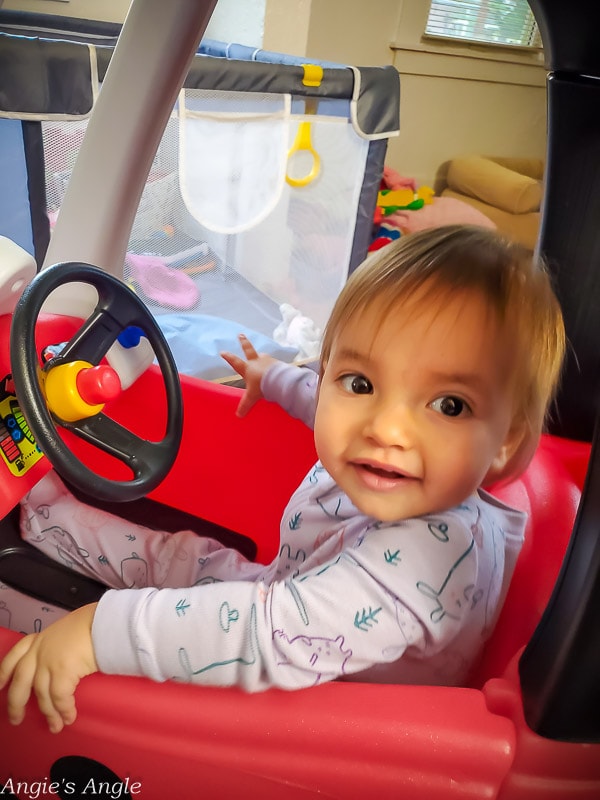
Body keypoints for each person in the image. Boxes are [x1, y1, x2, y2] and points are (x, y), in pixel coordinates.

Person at [0, 225, 565, 734]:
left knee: (94, 652)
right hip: (285, 592)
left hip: (312, 706)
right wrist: (273, 379)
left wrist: (98, 632)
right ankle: (49, 516)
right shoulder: (421, 467)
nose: (386, 428)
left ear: (508, 440)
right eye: (362, 383)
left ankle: (26, 632)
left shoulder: (423, 563)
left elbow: (267, 635)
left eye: (448, 404)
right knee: (187, 556)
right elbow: (324, 399)